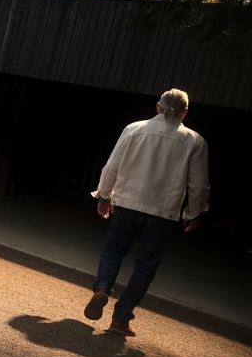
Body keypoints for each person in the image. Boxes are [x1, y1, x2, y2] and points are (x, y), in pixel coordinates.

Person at [84, 88, 210, 337]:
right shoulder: (195, 141)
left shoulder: (133, 129)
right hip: (163, 213)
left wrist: (104, 196)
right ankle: (120, 319)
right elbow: (199, 185)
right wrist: (193, 213)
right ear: (184, 113)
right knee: (146, 266)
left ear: (157, 107)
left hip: (127, 203)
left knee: (114, 249)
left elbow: (112, 165)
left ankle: (102, 287)